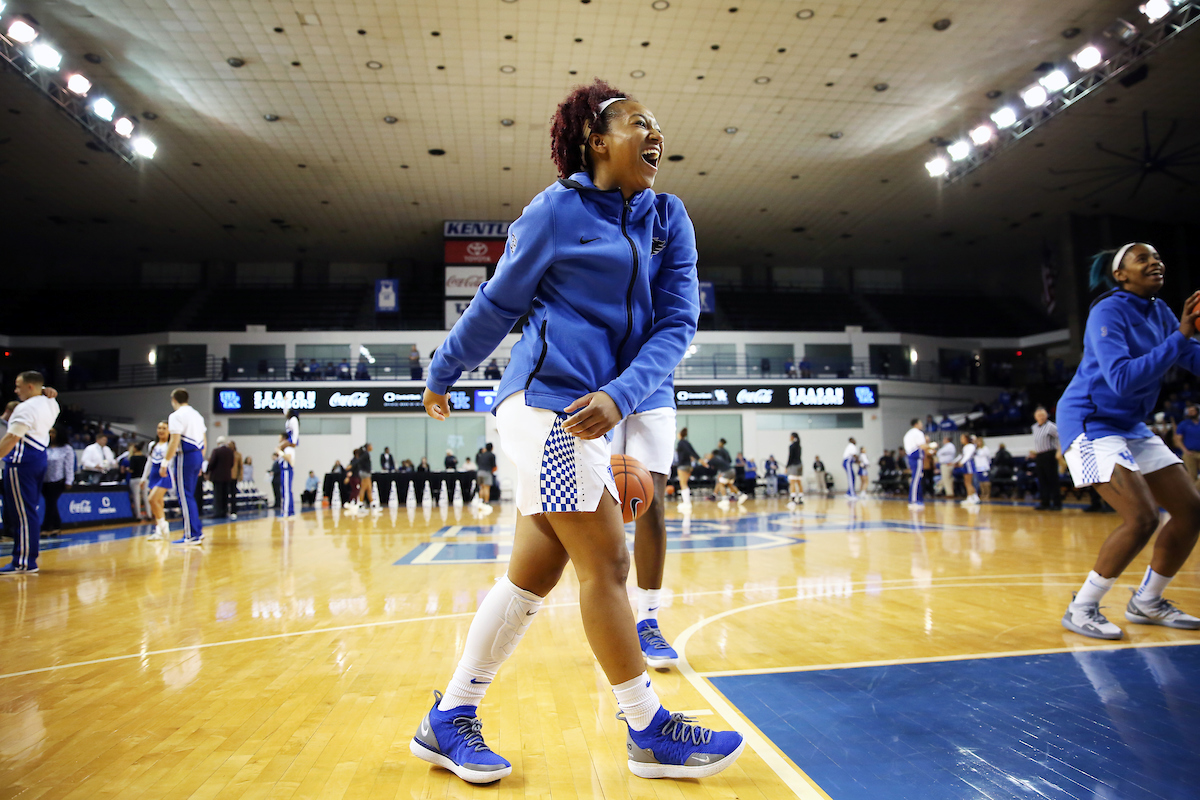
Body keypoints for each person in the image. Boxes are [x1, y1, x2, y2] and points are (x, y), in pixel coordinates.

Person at [412, 81, 742, 784]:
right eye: (638, 123)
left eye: (657, 125)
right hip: (545, 408)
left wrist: (622, 395)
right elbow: (497, 303)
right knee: (609, 564)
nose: (656, 134)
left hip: (600, 409)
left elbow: (677, 324)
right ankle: (648, 728)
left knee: (532, 577)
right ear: (596, 141)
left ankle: (449, 717)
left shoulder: (670, 218)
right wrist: (441, 373)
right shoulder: (555, 211)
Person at [1057, 242, 1200, 639]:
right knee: (1142, 518)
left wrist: (1184, 336)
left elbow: (1190, 356)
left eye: (1158, 257)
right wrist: (1180, 336)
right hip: (1088, 423)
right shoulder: (1107, 311)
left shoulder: (1161, 311)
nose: (1155, 262)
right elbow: (1121, 379)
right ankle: (1082, 607)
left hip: (1130, 424)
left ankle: (1148, 601)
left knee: (1191, 511)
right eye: (1143, 259)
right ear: (1120, 275)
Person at [0, 372, 60, 574]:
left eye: (19, 386)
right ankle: (25, 559)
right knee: (28, 511)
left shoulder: (25, 408)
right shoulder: (51, 403)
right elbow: (47, 394)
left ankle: (24, 561)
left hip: (22, 462)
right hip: (38, 458)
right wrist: (45, 390)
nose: (16, 390)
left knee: (23, 514)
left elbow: (12, 438)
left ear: (30, 387)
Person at [163, 388, 206, 545]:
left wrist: (165, 462)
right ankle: (197, 531)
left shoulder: (176, 415)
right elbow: (204, 440)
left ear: (174, 400)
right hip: (198, 454)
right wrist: (201, 460)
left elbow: (174, 441)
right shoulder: (197, 415)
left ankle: (191, 534)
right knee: (189, 495)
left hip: (185, 456)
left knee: (184, 496)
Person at [142, 421, 173, 540]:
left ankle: (163, 525)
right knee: (158, 503)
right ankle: (159, 530)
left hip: (164, 474)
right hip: (153, 475)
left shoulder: (171, 444)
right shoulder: (152, 445)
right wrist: (144, 477)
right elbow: (149, 462)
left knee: (152, 499)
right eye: (159, 428)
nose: (161, 430)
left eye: (164, 428)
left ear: (169, 430)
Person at [42, 427, 74, 535]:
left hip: (58, 479)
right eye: (49, 432)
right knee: (50, 502)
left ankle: (46, 527)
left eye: (53, 432)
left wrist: (69, 480)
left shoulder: (66, 449)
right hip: (44, 479)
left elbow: (69, 466)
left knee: (51, 502)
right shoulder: (44, 447)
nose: (51, 434)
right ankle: (56, 525)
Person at [1031, 406, 1062, 509]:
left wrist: (1059, 451)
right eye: (1039, 415)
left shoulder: (1051, 426)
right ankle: (1045, 502)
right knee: (1042, 479)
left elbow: (1060, 437)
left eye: (1043, 415)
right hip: (1039, 455)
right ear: (1035, 417)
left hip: (1049, 454)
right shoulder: (1034, 427)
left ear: (1046, 416)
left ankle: (1057, 504)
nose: (1041, 417)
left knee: (1052, 479)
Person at [903, 419, 929, 510]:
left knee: (917, 478)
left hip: (911, 456)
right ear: (916, 424)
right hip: (916, 457)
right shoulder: (918, 433)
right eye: (920, 423)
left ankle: (919, 500)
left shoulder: (908, 433)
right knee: (916, 479)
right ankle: (913, 501)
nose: (922, 424)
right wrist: (930, 444)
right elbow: (922, 446)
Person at [208, 436, 235, 518]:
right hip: (227, 476)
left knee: (217, 495)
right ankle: (224, 511)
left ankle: (217, 512)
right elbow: (232, 464)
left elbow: (212, 463)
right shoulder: (230, 452)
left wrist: (208, 470)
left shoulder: (216, 451)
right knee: (225, 495)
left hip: (217, 477)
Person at [1175, 404, 1200, 488]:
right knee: (1192, 476)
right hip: (1190, 453)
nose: (1190, 413)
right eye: (1189, 411)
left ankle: (1194, 492)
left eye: (1192, 411)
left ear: (1197, 411)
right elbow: (1178, 439)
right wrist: (1185, 450)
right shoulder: (1184, 424)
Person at [674, 428, 700, 509]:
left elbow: (687, 452)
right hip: (688, 465)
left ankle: (687, 503)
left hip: (682, 465)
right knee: (685, 483)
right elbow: (693, 452)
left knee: (683, 484)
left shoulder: (681, 443)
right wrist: (699, 459)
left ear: (680, 434)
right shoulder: (687, 442)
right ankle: (687, 502)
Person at [956, 433, 979, 506]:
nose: (961, 440)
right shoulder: (965, 447)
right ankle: (974, 496)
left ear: (966, 438)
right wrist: (954, 462)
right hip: (966, 464)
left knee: (968, 482)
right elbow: (961, 456)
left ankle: (970, 498)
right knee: (966, 482)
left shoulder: (970, 446)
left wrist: (962, 462)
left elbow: (968, 456)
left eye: (962, 438)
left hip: (969, 464)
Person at [277, 433, 296, 517]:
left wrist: (279, 451)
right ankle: (290, 510)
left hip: (287, 470)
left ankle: (286, 512)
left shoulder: (288, 448)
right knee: (286, 491)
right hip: (284, 471)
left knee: (286, 492)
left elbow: (288, 458)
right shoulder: (286, 449)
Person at [475, 443, 497, 510]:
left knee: (481, 487)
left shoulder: (481, 454)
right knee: (487, 488)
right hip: (487, 472)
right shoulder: (492, 455)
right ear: (492, 448)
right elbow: (494, 466)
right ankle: (486, 502)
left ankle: (480, 502)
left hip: (479, 472)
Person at [785, 431, 804, 508]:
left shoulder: (792, 446)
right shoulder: (799, 446)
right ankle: (800, 499)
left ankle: (793, 499)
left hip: (794, 466)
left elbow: (790, 457)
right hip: (800, 465)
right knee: (799, 482)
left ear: (792, 437)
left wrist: (787, 467)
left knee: (792, 482)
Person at [973, 434, 992, 501]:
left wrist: (987, 465)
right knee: (980, 482)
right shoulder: (975, 450)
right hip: (978, 468)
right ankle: (983, 493)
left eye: (979, 442)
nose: (978, 443)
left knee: (985, 481)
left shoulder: (985, 449)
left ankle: (987, 494)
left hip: (984, 467)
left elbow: (989, 458)